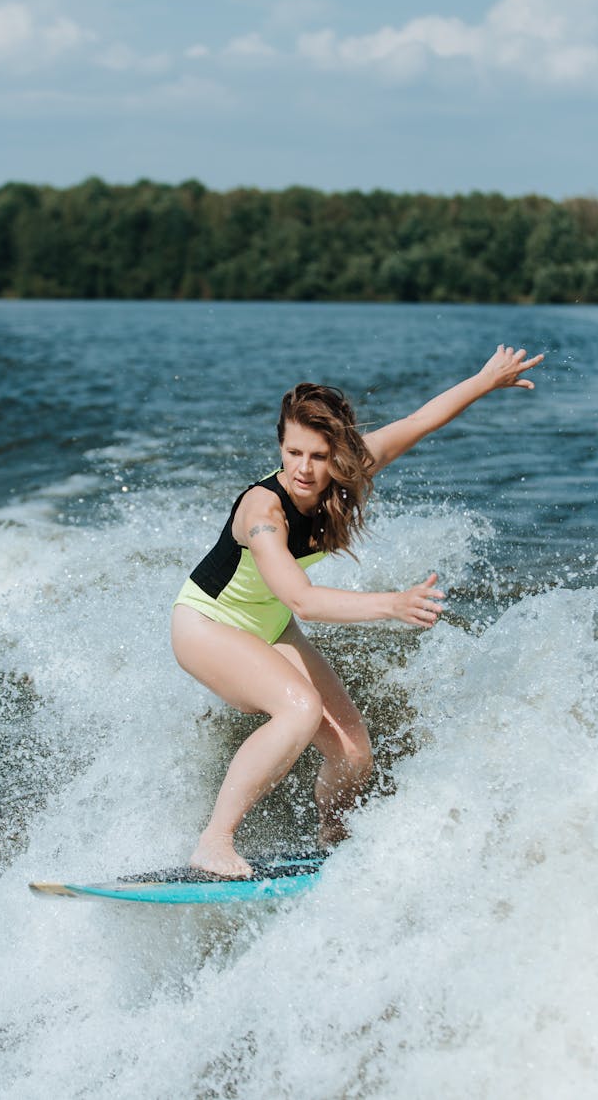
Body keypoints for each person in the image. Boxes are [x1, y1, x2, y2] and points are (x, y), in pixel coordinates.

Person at [171, 343, 543, 878]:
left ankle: (333, 837)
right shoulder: (263, 510)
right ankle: (214, 841)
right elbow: (302, 599)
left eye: (318, 456)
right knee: (298, 709)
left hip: (268, 627)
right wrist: (391, 603)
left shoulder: (349, 475)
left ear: (336, 455)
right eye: (293, 453)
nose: (304, 468)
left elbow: (418, 421)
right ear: (281, 446)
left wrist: (485, 381)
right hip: (205, 626)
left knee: (353, 754)